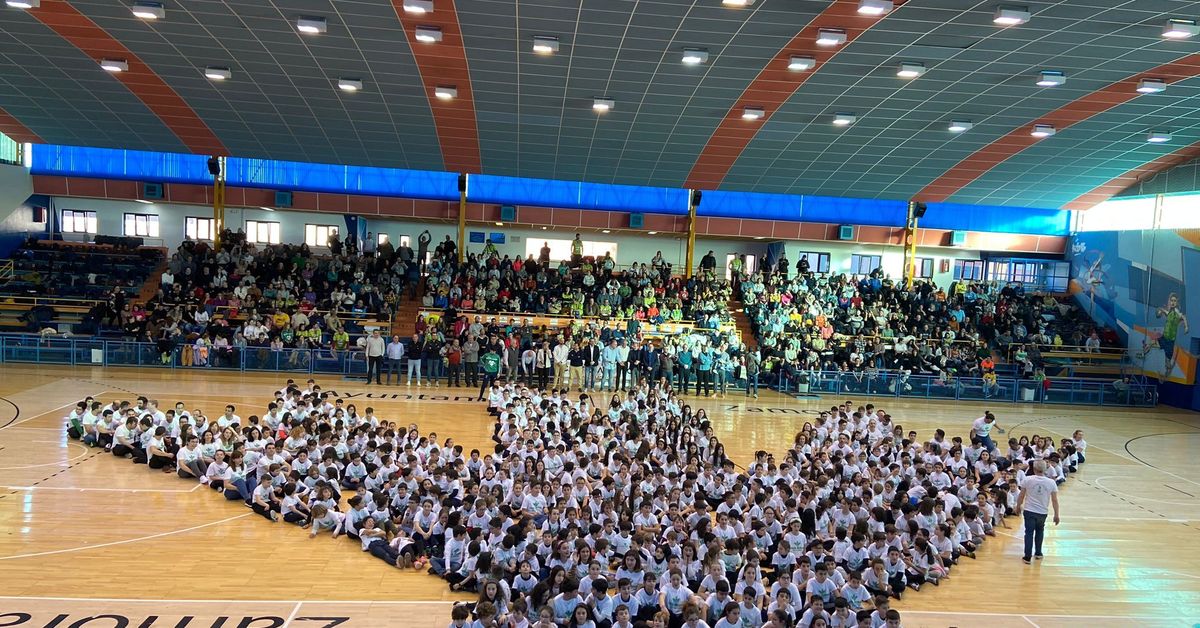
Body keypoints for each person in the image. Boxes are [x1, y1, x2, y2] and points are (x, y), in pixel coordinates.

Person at [1015, 459, 1060, 564]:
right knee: (1040, 531)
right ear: (1045, 469)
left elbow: (1021, 495)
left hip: (1029, 511)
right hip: (1042, 512)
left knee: (1029, 533)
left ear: (1034, 468)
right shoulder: (1051, 482)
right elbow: (1055, 500)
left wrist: (1018, 506)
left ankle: (1027, 557)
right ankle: (1038, 553)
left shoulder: (1027, 479)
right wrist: (1056, 515)